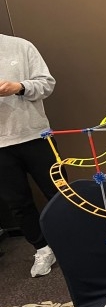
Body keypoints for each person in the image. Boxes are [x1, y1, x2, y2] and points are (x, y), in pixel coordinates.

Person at [0, 34, 58, 277]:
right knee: (18, 204)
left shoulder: (20, 46)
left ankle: (76, 238)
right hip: (1, 146)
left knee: (60, 193)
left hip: (36, 135)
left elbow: (47, 84)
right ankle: (42, 249)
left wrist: (20, 87)